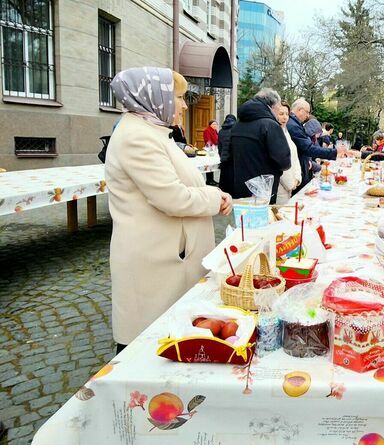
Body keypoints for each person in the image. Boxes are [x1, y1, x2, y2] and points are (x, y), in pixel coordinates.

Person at [105, 67, 231, 354]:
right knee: (144, 345)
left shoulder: (152, 132)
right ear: (156, 98)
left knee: (166, 337)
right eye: (179, 97)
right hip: (155, 261)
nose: (184, 105)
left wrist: (213, 196)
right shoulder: (137, 137)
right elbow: (172, 197)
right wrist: (214, 197)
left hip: (166, 256)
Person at [230, 88, 292, 202]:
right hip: (264, 189)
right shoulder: (270, 125)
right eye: (278, 109)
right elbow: (284, 161)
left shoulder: (237, 125)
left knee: (243, 213)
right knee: (262, 213)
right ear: (272, 106)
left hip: (240, 186)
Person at [288, 98, 343, 187]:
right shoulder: (293, 126)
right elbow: (308, 148)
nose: (308, 115)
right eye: (307, 112)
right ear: (300, 110)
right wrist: (335, 152)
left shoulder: (294, 124)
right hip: (297, 170)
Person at [274, 102, 303, 204]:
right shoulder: (275, 134)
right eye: (281, 114)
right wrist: (290, 184)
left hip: (290, 185)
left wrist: (297, 178)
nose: (285, 117)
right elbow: (279, 161)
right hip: (280, 188)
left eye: (287, 114)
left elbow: (295, 158)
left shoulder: (286, 133)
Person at [217, 114, 237, 194]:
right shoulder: (235, 130)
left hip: (224, 158)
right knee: (232, 178)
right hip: (233, 158)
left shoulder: (221, 131)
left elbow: (219, 147)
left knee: (223, 178)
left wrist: (221, 156)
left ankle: (223, 194)